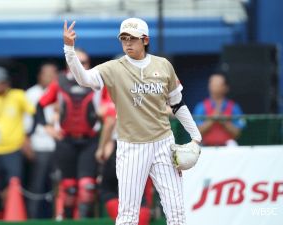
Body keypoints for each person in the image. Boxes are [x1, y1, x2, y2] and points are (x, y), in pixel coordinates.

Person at [63, 18, 202, 225]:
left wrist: (196, 136)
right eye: (124, 38)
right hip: (131, 146)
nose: (127, 43)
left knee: (176, 211)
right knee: (128, 214)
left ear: (145, 40)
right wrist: (69, 49)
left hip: (163, 143)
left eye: (133, 39)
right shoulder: (113, 68)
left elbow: (178, 104)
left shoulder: (163, 65)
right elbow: (83, 79)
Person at [35, 49, 101, 219]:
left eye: (85, 63)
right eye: (78, 62)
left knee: (87, 187)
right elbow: (40, 105)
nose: (81, 66)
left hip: (90, 140)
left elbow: (111, 107)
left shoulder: (98, 80)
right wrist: (47, 127)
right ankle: (69, 219)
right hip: (66, 141)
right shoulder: (60, 82)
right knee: (69, 188)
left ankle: (85, 221)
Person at [96, 88, 151, 225]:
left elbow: (109, 123)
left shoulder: (118, 93)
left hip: (122, 147)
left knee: (108, 189)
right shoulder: (145, 96)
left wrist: (101, 148)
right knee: (139, 195)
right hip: (144, 148)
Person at [0, 66, 35, 197]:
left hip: (14, 148)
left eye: (4, 81)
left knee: (15, 182)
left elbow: (34, 114)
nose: (2, 85)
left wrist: (27, 136)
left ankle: (14, 215)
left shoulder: (18, 95)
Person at [24, 62, 58, 218]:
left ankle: (57, 217)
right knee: (37, 184)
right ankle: (33, 217)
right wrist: (26, 143)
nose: (50, 77)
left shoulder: (61, 91)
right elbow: (27, 123)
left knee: (58, 185)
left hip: (59, 145)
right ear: (39, 76)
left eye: (53, 74)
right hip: (39, 145)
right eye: (47, 74)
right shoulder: (31, 94)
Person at [193, 73, 245, 146]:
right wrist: (212, 119)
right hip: (206, 147)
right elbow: (196, 133)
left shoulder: (234, 107)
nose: (214, 87)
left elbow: (237, 133)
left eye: (218, 84)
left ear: (226, 88)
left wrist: (224, 121)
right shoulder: (201, 107)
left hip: (228, 147)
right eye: (212, 84)